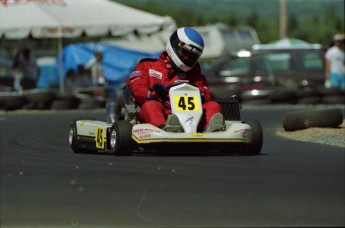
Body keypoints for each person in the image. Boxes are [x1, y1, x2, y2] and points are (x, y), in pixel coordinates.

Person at [128, 27, 223, 132]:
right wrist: (153, 94)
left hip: (192, 115)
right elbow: (137, 88)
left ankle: (210, 131)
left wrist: (200, 95)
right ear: (174, 46)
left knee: (213, 106)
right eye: (185, 53)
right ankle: (167, 129)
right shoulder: (147, 65)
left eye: (192, 56)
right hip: (161, 110)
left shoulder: (194, 72)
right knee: (150, 106)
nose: (187, 58)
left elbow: (205, 91)